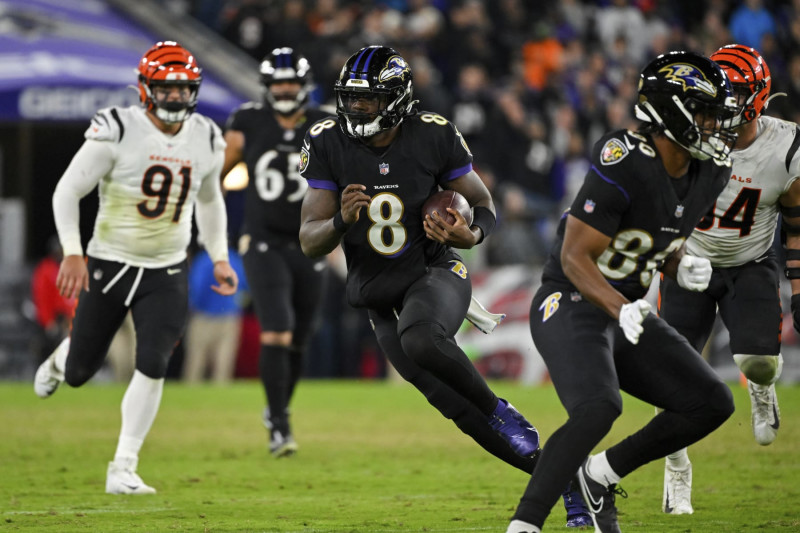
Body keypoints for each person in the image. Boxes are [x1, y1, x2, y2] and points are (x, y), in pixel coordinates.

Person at [297, 45, 589, 528]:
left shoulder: (431, 134)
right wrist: (339, 224)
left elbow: (484, 203)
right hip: (378, 298)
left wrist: (469, 234)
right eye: (350, 99)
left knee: (422, 338)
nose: (355, 109)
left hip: (435, 274)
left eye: (367, 101)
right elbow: (309, 240)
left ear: (395, 99)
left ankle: (502, 408)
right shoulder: (329, 141)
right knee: (461, 412)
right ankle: (571, 485)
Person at [506, 51, 740, 533]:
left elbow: (651, 240)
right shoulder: (626, 159)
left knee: (711, 401)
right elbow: (574, 257)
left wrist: (680, 263)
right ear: (669, 112)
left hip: (624, 309)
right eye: (703, 111)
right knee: (599, 406)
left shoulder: (710, 171)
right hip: (571, 299)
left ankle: (599, 476)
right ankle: (524, 526)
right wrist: (618, 304)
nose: (714, 124)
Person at [33, 41, 238, 495]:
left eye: (184, 90)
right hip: (110, 261)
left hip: (167, 268)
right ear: (145, 89)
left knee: (154, 361)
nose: (176, 98)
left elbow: (209, 201)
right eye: (166, 89)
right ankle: (63, 357)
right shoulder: (118, 128)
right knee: (82, 371)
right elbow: (67, 191)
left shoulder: (206, 136)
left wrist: (219, 255)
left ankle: (123, 466)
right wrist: (72, 250)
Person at [657, 44, 800, 515]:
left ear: (757, 96)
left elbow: (796, 221)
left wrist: (798, 285)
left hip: (750, 263)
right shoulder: (684, 137)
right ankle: (677, 471)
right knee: (666, 379)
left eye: (733, 92)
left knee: (757, 361)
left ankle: (761, 389)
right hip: (688, 263)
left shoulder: (786, 147)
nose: (722, 102)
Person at [220, 47, 331, 457]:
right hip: (262, 240)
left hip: (310, 243)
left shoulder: (325, 125)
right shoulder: (247, 120)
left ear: (304, 86)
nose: (285, 89)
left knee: (299, 339)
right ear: (267, 87)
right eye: (278, 83)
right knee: (278, 328)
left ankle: (278, 409)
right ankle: (280, 426)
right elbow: (217, 174)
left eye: (291, 82)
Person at [183, 245, 248, 384]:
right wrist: (237, 305)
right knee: (224, 363)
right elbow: (245, 288)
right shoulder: (234, 259)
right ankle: (222, 396)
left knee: (196, 361)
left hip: (203, 317)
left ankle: (191, 394)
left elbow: (196, 288)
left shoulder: (203, 259)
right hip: (229, 316)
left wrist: (193, 307)